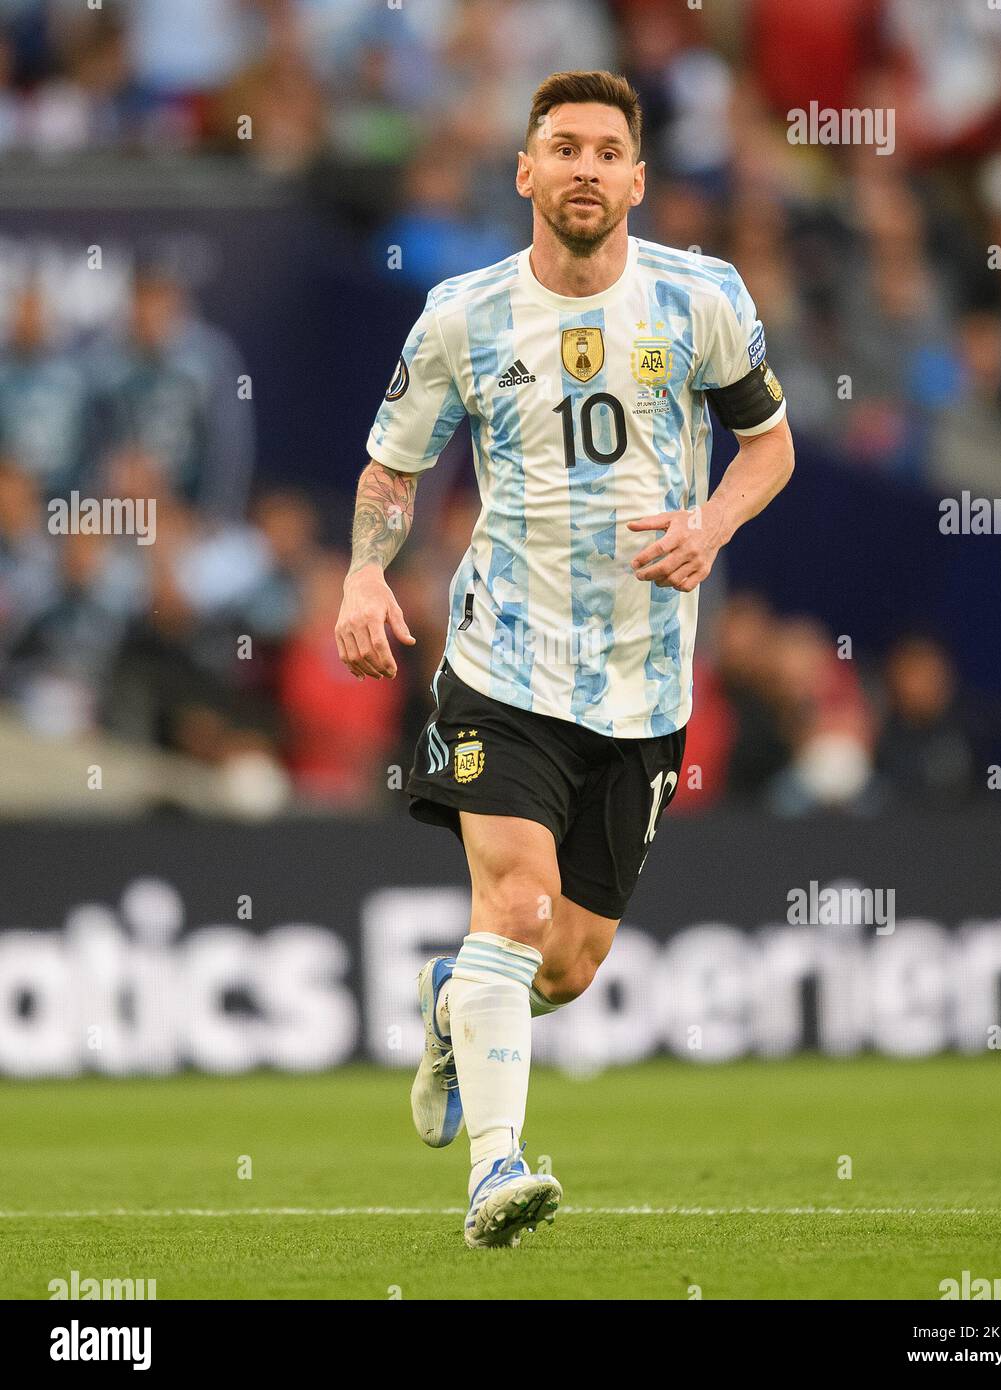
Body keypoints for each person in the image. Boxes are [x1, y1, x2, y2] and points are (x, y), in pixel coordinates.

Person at [334, 69, 794, 1248]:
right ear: (526, 171)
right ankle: (497, 1169)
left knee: (568, 962)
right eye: (564, 148)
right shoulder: (461, 316)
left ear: (638, 178)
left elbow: (768, 444)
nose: (585, 167)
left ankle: (457, 995)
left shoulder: (701, 300)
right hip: (506, 659)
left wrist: (713, 522)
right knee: (520, 903)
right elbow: (394, 468)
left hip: (644, 681)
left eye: (607, 150)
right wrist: (364, 573)